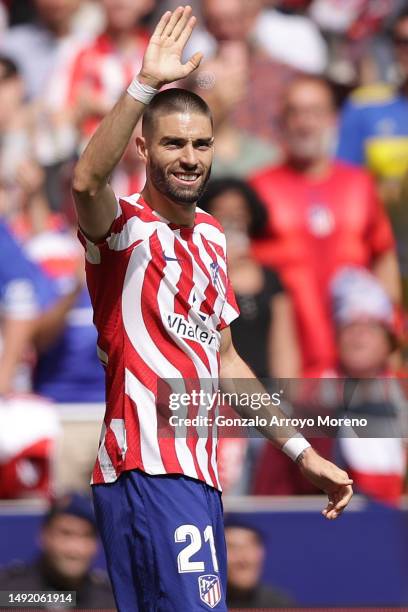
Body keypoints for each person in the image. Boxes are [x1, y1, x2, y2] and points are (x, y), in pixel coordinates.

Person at [72, 7, 353, 611]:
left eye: (201, 143)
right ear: (143, 147)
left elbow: (227, 361)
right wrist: (143, 84)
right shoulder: (122, 229)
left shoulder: (212, 239)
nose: (190, 157)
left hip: (199, 476)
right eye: (173, 143)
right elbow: (85, 183)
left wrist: (304, 453)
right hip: (146, 469)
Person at [250, 75, 400, 373]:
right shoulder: (259, 188)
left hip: (357, 366)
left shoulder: (360, 184)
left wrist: (392, 338)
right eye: (295, 112)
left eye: (315, 112)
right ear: (281, 121)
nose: (305, 123)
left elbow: (384, 259)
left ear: (333, 119)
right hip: (289, 363)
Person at [0, 493, 116, 608]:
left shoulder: (110, 601)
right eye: (66, 534)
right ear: (44, 536)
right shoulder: (7, 594)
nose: (74, 550)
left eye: (86, 536)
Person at [224, 520, 295, 609]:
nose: (244, 559)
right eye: (232, 547)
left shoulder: (278, 604)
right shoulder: (205, 605)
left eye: (251, 547)